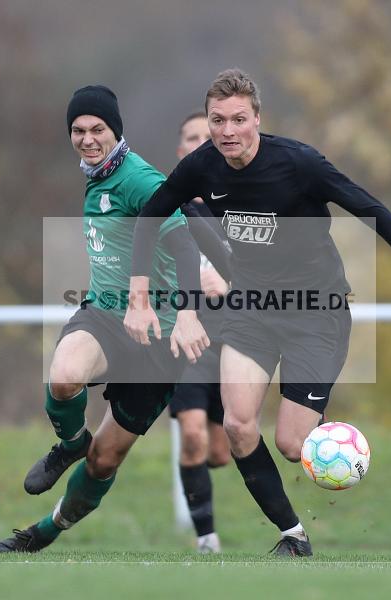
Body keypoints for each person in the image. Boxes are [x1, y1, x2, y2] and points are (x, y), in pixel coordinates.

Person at [125, 69, 391, 556]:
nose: (227, 131)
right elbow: (149, 215)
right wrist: (138, 294)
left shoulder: (298, 163)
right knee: (237, 424)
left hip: (316, 311)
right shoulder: (202, 167)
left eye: (238, 120)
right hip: (251, 307)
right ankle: (293, 536)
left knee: (293, 445)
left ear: (257, 119)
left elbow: (369, 206)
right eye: (217, 121)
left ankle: (331, 433)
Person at [0, 85, 209, 553]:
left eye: (98, 130)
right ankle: (70, 442)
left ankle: (42, 533)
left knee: (104, 460)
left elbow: (185, 245)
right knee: (64, 377)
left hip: (159, 337)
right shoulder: (97, 176)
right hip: (106, 316)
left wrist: (188, 312)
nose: (87, 139)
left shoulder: (139, 180)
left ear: (116, 131)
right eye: (78, 130)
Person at [168, 112, 231, 554]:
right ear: (180, 149)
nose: (198, 145)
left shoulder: (238, 199)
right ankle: (207, 539)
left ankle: (203, 490)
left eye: (205, 139)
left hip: (235, 339)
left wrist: (230, 283)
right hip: (187, 339)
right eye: (191, 138)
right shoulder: (164, 203)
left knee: (221, 452)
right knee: (192, 434)